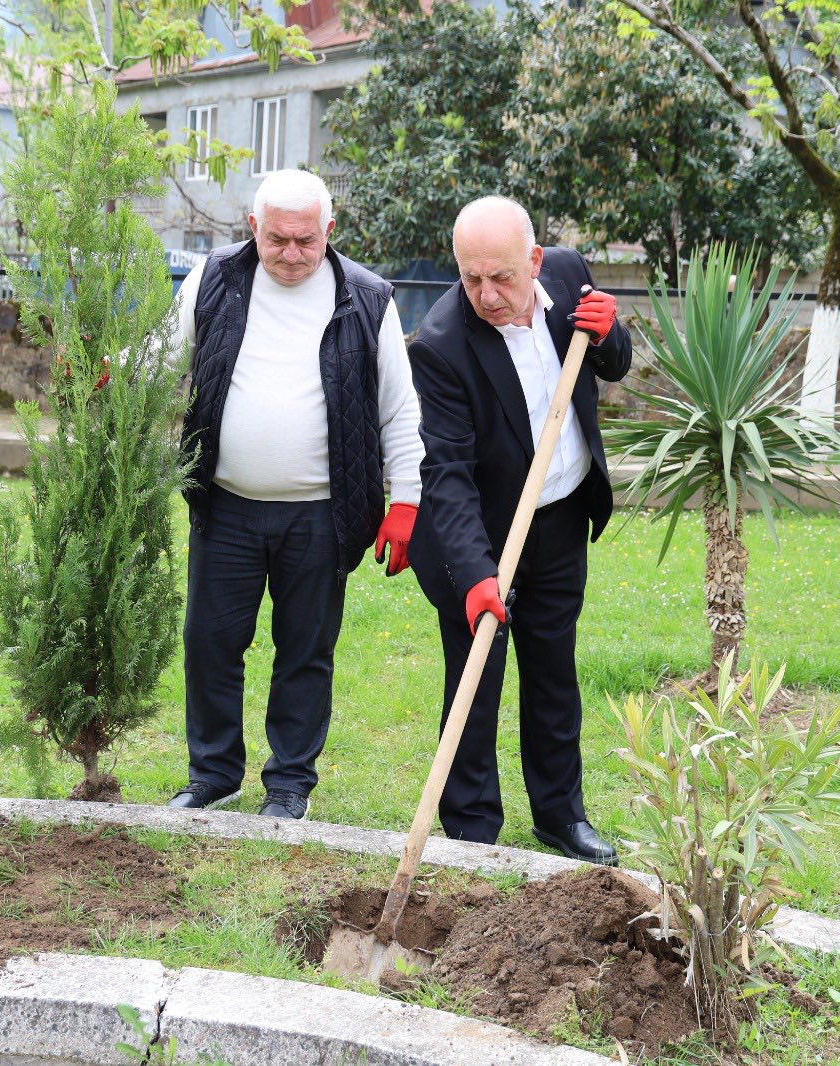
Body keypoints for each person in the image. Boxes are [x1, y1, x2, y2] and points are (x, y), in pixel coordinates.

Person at [164, 169, 423, 820]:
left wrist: (406, 505)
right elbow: (164, 358)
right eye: (277, 239)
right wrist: (110, 374)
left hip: (324, 515)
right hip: (225, 505)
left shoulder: (367, 298)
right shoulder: (215, 279)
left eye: (306, 241)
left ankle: (288, 785)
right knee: (210, 642)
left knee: (305, 651)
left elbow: (399, 411)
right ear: (253, 229)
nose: (291, 253)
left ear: (328, 232)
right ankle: (214, 773)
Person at [405, 196, 631, 864]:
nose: (486, 294)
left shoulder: (566, 276)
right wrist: (475, 575)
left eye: (500, 277)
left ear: (533, 261)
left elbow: (610, 360)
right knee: (475, 679)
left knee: (553, 673)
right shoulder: (442, 345)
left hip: (559, 518)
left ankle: (561, 817)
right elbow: (446, 474)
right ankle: (472, 824)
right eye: (471, 278)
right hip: (478, 534)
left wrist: (611, 330)